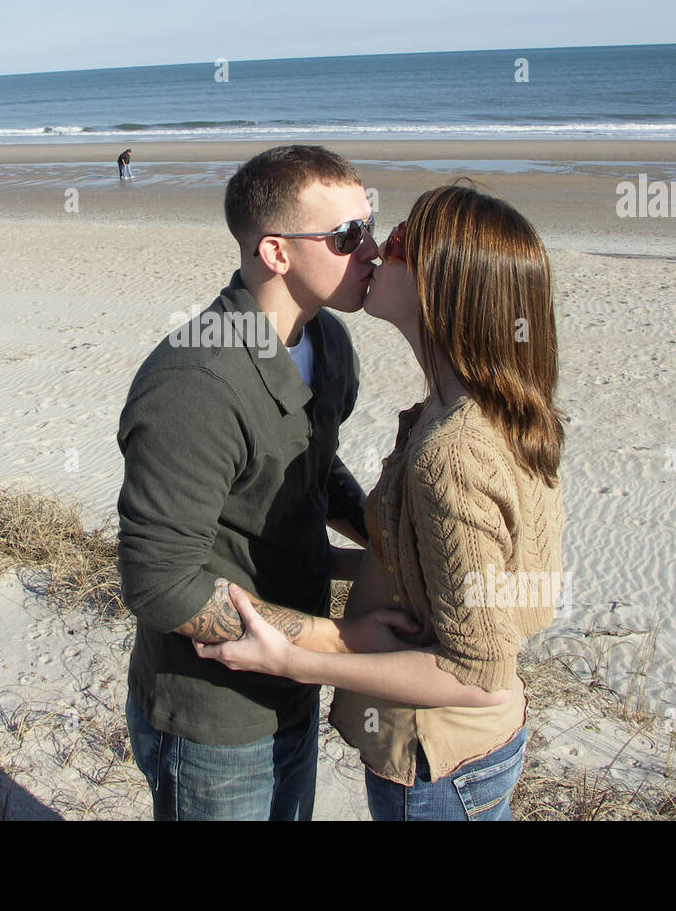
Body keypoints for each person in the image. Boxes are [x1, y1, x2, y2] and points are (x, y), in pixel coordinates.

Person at [196, 181, 566, 821]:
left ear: (439, 286)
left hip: (439, 760)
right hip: (472, 754)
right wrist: (324, 563)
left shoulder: (454, 454)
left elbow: (476, 677)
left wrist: (299, 660)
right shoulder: (477, 409)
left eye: (394, 242)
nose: (370, 250)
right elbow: (480, 574)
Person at [116, 144, 415, 821]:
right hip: (213, 715)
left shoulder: (328, 344)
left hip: (293, 686)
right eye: (346, 236)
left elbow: (312, 465)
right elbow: (158, 581)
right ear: (276, 253)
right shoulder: (196, 383)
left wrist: (385, 543)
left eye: (371, 224)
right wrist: (343, 640)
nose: (372, 249)